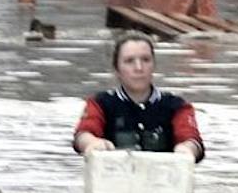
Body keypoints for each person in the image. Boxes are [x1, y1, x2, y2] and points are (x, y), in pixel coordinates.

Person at [72, 32, 204, 160]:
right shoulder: (100, 103)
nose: (139, 67)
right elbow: (83, 134)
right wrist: (91, 143)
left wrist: (187, 148)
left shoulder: (177, 106)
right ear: (116, 69)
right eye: (129, 61)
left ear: (154, 65)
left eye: (145, 60)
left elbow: (191, 138)